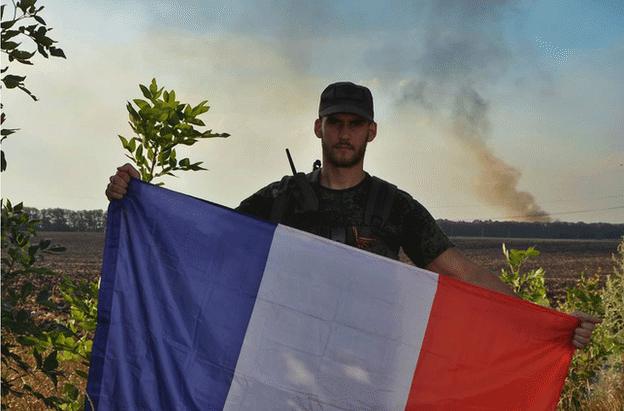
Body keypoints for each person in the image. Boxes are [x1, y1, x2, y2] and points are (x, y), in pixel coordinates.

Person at [106, 81, 599, 349]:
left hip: (368, 357)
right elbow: (209, 236)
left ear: (372, 132)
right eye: (336, 123)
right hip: (284, 356)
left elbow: (461, 273)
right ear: (319, 127)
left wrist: (547, 320)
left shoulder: (394, 206)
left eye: (355, 124)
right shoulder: (281, 199)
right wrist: (139, 199)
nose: (345, 133)